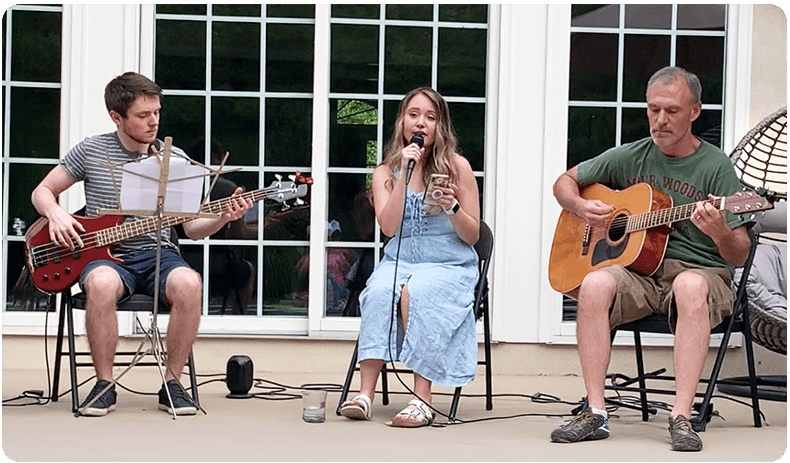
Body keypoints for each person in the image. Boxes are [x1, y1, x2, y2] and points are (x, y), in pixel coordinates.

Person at [550, 66, 753, 451]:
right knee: (594, 283)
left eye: (672, 111)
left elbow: (739, 255)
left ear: (695, 111)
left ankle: (681, 416)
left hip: (702, 272)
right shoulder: (632, 155)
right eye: (653, 109)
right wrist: (580, 207)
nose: (660, 120)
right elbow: (564, 182)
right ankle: (595, 411)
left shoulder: (716, 167)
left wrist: (721, 231)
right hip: (642, 273)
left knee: (689, 285)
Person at [30, 72, 252, 416]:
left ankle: (173, 385)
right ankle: (104, 385)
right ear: (116, 117)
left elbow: (192, 229)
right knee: (101, 284)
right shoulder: (91, 149)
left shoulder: (174, 158)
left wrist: (224, 218)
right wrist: (56, 215)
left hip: (159, 256)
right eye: (143, 115)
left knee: (190, 283)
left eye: (157, 113)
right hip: (106, 258)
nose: (154, 122)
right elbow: (42, 191)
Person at [339, 87, 480, 427]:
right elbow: (388, 228)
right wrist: (403, 172)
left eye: (430, 117)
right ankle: (364, 394)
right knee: (376, 293)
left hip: (449, 263)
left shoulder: (457, 167)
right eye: (414, 114)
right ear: (402, 122)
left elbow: (473, 235)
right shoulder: (385, 173)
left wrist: (452, 207)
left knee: (419, 293)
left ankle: (422, 398)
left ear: (440, 126)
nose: (422, 122)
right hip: (401, 261)